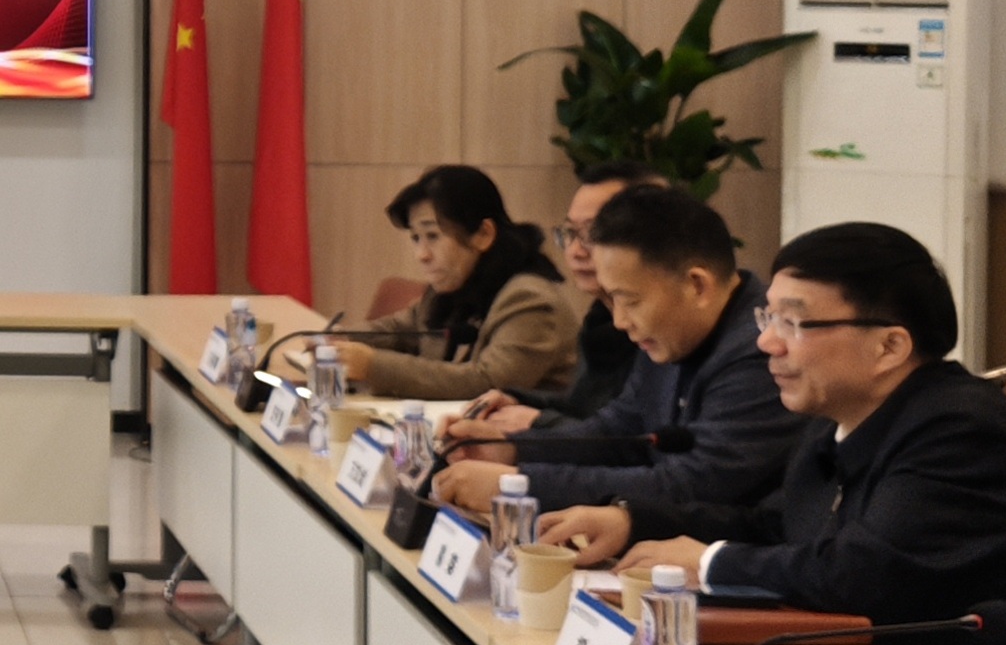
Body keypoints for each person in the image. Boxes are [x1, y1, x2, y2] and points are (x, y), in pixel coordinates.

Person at [543, 221, 1006, 645]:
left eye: (794, 323)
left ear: (889, 346)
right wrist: (634, 520)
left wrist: (709, 561)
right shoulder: (844, 416)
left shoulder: (960, 428)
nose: (768, 343)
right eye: (768, 318)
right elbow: (780, 526)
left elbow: (859, 574)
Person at [431, 186, 801, 519]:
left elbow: (692, 485)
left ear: (697, 285)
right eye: (611, 300)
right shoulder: (673, 332)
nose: (621, 321)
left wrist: (519, 483)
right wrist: (510, 449)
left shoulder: (762, 353)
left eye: (630, 301)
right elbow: (617, 433)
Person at [280, 165, 576, 401]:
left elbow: (487, 382)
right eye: (416, 238)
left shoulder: (530, 300)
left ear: (483, 234)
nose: (421, 255)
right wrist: (343, 341)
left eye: (433, 236)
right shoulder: (452, 288)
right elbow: (401, 330)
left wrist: (371, 365)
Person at [525, 162, 666, 418]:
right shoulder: (600, 319)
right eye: (570, 232)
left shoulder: (662, 330)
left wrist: (536, 421)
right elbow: (585, 407)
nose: (575, 251)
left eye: (593, 233)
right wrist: (518, 400)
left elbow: (627, 430)